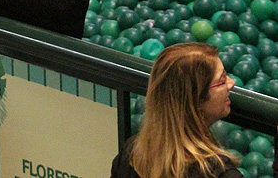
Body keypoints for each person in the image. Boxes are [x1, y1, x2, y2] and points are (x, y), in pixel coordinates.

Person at [111, 43, 278, 178]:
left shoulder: (131, 156)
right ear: (196, 101)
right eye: (221, 81)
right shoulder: (219, 173)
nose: (232, 83)